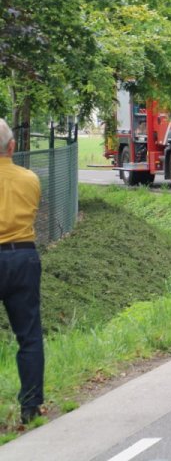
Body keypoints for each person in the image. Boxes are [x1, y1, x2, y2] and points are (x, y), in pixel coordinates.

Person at [0, 118, 45, 424]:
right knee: (28, 335)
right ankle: (30, 406)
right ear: (12, 146)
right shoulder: (30, 179)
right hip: (23, 256)